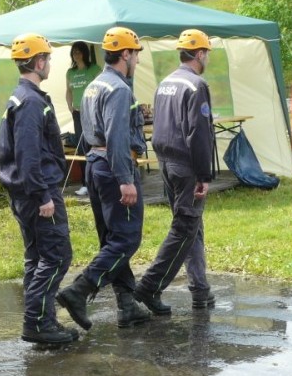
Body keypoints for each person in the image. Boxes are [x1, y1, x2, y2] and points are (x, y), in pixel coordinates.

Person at [55, 27, 151, 331]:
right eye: (135, 54)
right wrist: (125, 178)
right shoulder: (119, 89)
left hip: (95, 165)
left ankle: (127, 305)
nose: (137, 60)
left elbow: (87, 132)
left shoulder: (94, 85)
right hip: (113, 166)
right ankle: (79, 290)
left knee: (112, 238)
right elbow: (117, 135)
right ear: (125, 54)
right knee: (126, 238)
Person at [0, 33, 78, 345]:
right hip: (37, 192)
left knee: (37, 257)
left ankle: (42, 319)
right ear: (39, 61)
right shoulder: (30, 101)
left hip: (27, 192)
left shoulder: (23, 96)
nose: (50, 65)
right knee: (57, 256)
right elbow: (28, 153)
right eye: (48, 59)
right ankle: (37, 323)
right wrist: (43, 195)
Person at [132, 29, 218, 315]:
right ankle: (150, 286)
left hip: (166, 163)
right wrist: (204, 176)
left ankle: (200, 290)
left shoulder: (165, 83)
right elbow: (199, 134)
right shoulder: (196, 85)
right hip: (187, 167)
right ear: (200, 54)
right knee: (184, 228)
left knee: (192, 226)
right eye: (206, 54)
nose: (207, 59)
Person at [66, 40, 100, 197]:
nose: (76, 54)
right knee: (81, 148)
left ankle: (97, 180)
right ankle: (85, 184)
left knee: (94, 144)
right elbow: (68, 91)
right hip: (78, 113)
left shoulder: (94, 69)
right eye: (74, 52)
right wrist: (70, 106)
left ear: (85, 53)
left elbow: (100, 89)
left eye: (79, 51)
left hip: (92, 113)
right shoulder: (70, 72)